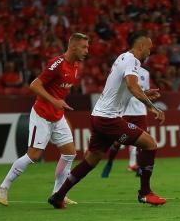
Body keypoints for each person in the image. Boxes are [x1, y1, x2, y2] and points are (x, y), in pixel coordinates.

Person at [48, 31, 166, 209]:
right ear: (141, 46)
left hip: (99, 116)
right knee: (150, 144)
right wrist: (153, 107)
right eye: (149, 48)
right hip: (109, 118)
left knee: (92, 159)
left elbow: (125, 88)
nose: (150, 51)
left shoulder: (123, 58)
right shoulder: (132, 60)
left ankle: (58, 196)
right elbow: (132, 86)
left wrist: (145, 93)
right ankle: (145, 193)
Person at [0, 33, 89, 206]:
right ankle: (3, 186)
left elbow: (58, 92)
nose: (86, 51)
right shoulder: (57, 64)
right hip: (42, 115)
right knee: (34, 155)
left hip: (57, 116)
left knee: (69, 153)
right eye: (84, 47)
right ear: (73, 46)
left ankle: (58, 194)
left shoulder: (75, 66)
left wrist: (60, 106)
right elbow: (34, 85)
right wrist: (54, 101)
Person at [101, 66, 153, 178]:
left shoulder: (145, 73)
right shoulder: (125, 71)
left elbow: (146, 92)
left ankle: (140, 167)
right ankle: (109, 163)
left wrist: (150, 99)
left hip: (140, 112)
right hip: (125, 111)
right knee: (117, 142)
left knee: (143, 141)